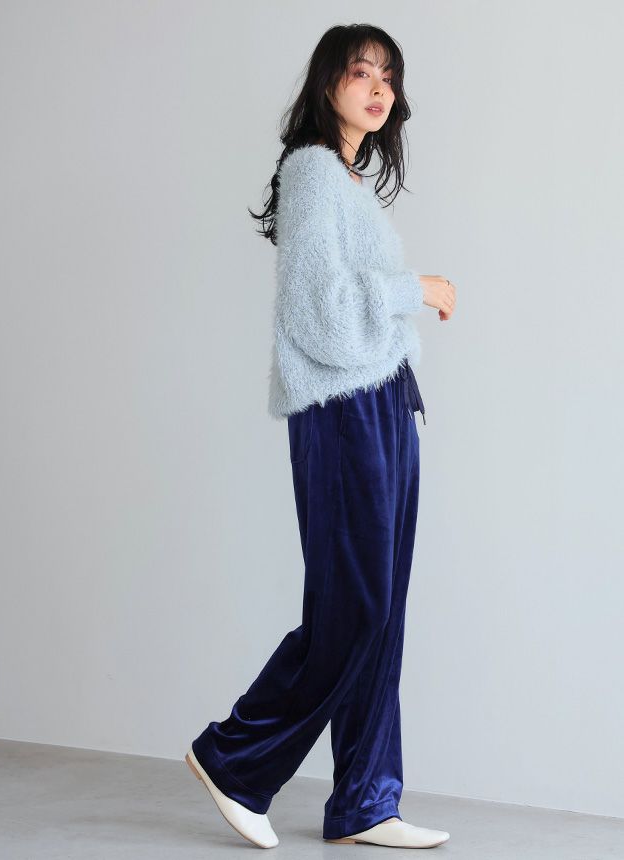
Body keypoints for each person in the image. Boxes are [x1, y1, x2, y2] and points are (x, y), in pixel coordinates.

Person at [185, 23, 456, 849]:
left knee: (383, 612)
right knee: (356, 607)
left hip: (385, 407)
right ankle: (234, 761)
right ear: (327, 83)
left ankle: (368, 800)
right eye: (360, 71)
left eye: (388, 76)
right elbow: (319, 313)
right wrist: (417, 288)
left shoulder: (346, 182)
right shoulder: (310, 172)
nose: (378, 88)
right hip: (342, 410)